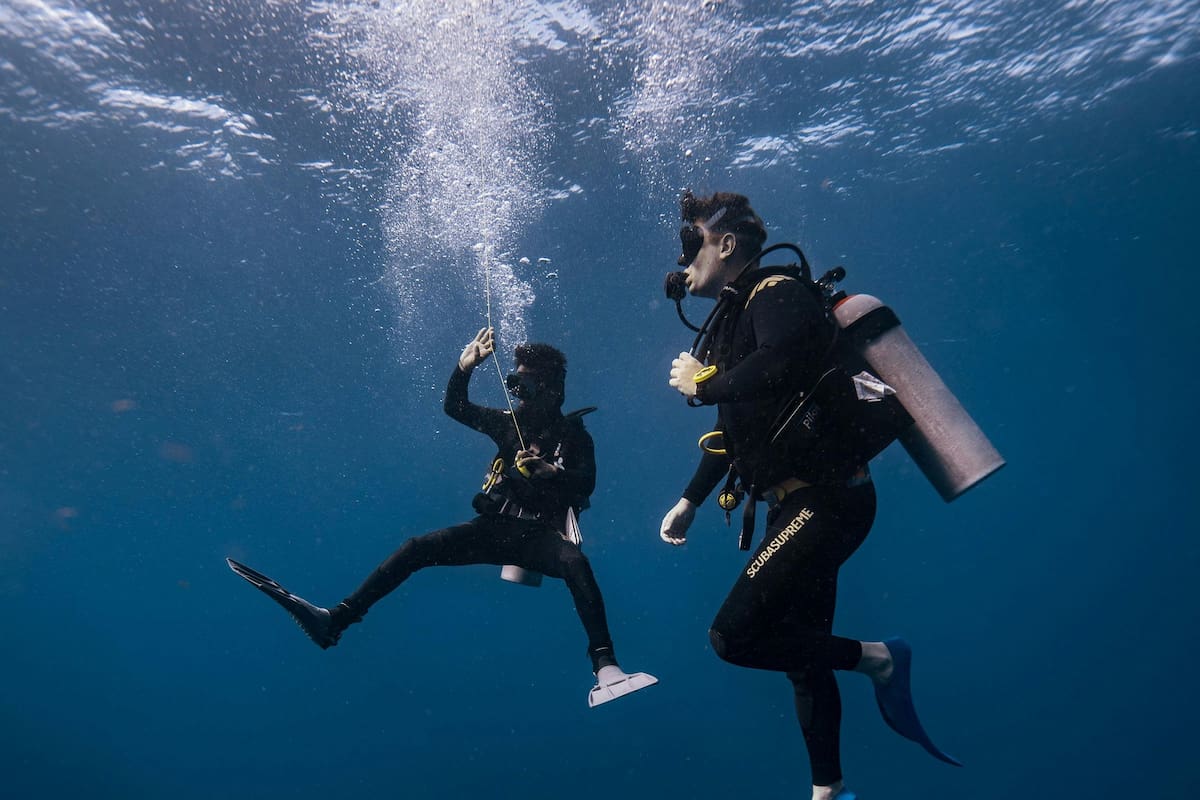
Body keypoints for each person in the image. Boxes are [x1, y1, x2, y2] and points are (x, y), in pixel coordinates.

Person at [659, 191, 960, 800]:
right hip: (800, 502)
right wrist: (692, 498)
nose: (683, 261)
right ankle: (829, 790)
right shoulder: (731, 321)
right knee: (801, 656)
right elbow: (736, 429)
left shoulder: (776, 293)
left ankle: (880, 659)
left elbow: (786, 363)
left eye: (691, 246)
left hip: (827, 500)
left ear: (726, 244)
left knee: (734, 636)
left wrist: (708, 382)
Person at [228, 328, 656, 707]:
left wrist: (552, 473)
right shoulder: (506, 424)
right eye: (515, 382)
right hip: (492, 529)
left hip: (536, 537)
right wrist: (464, 366)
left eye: (524, 383)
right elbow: (455, 406)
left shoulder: (574, 435)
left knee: (575, 562)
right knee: (418, 548)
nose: (516, 392)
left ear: (550, 387)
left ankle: (606, 669)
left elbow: (585, 486)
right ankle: (334, 621)